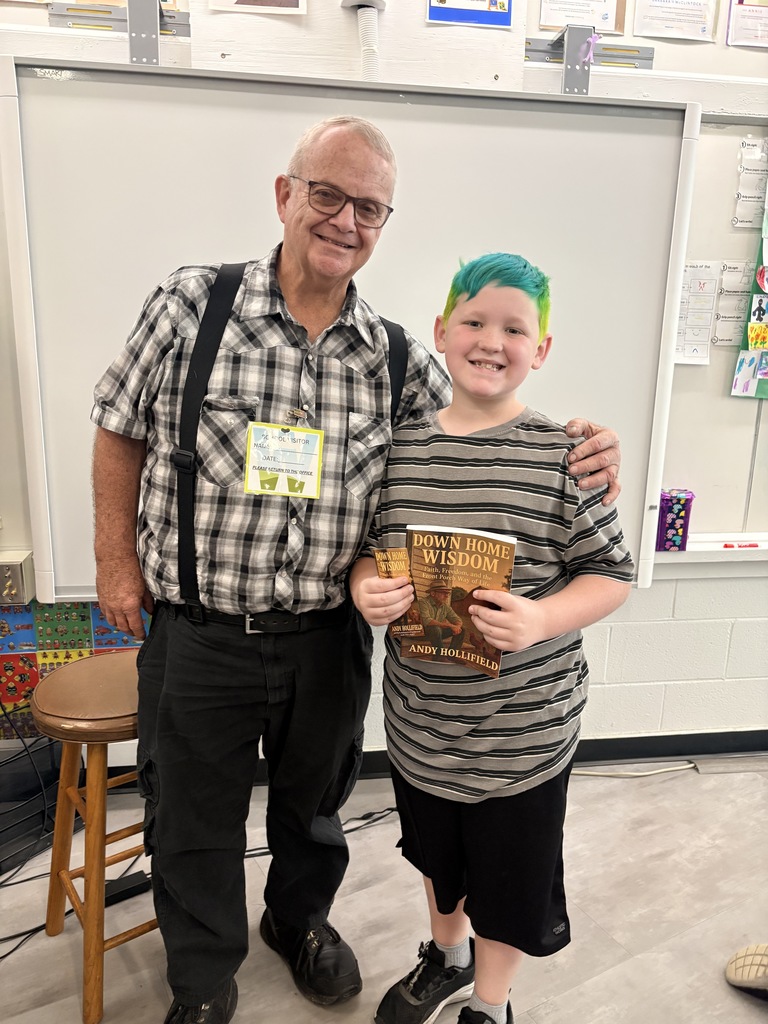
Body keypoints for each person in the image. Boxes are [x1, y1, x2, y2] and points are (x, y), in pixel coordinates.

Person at [90, 118, 623, 1024]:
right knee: (193, 819)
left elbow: (472, 420)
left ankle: (298, 925)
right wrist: (114, 564)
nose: (345, 220)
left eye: (369, 207)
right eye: (327, 195)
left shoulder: (394, 355)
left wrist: (592, 441)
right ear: (284, 194)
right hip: (201, 629)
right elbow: (117, 425)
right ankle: (204, 979)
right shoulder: (194, 302)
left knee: (314, 809)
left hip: (325, 639)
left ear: (384, 222)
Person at [349, 252, 634, 1024]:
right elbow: (371, 549)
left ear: (540, 350)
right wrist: (365, 587)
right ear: (441, 332)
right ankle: (444, 957)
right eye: (473, 321)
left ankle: (491, 1001)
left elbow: (612, 571)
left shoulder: (563, 457)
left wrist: (542, 619)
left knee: (510, 882)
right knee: (439, 862)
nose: (491, 340)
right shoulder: (399, 451)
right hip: (421, 727)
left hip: (524, 736)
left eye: (515, 328)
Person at [419, 581, 466, 652]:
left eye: (447, 593)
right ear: (433, 593)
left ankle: (452, 654)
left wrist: (457, 627)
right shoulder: (423, 602)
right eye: (443, 592)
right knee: (435, 629)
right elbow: (427, 621)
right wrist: (450, 625)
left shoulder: (445, 606)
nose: (447, 596)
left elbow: (457, 619)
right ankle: (440, 655)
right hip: (423, 634)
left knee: (461, 629)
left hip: (438, 634)